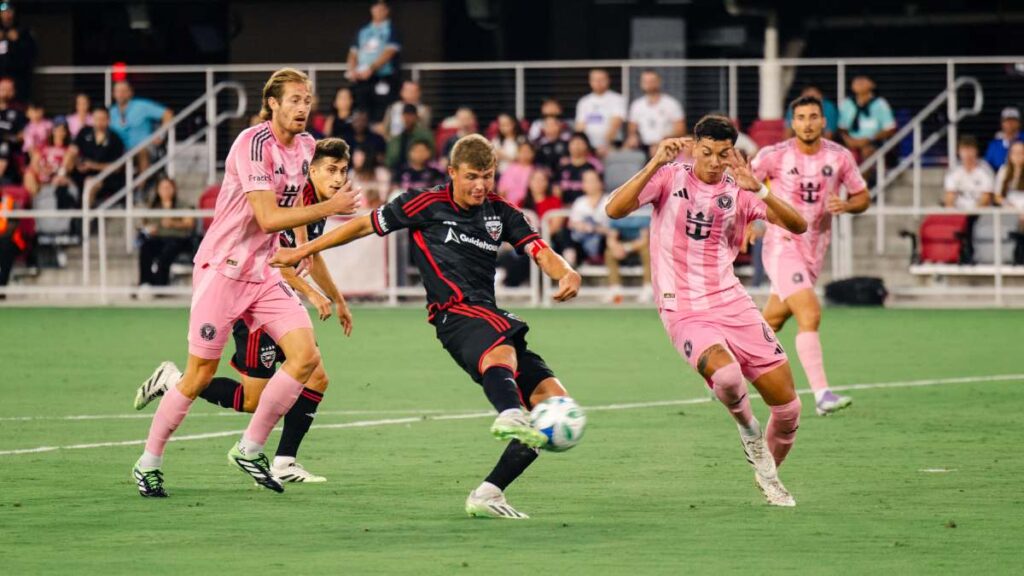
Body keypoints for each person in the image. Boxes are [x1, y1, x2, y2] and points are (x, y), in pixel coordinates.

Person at [270, 134, 583, 519]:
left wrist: (565, 272)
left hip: (487, 315)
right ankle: (508, 411)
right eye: (471, 176)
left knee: (553, 403)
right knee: (503, 345)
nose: (480, 185)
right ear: (452, 172)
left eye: (487, 176)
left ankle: (489, 494)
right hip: (454, 315)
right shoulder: (425, 203)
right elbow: (363, 226)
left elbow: (540, 251)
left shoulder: (502, 213)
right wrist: (303, 250)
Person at [129, 68, 361, 498]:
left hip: (264, 272)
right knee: (198, 376)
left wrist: (331, 285)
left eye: (307, 100)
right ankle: (149, 462)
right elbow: (269, 218)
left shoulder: (309, 147)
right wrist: (331, 205)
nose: (302, 107)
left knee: (307, 358)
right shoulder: (252, 145)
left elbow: (308, 231)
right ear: (272, 103)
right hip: (223, 269)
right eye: (294, 99)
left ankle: (251, 448)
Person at [605, 115, 808, 507]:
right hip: (682, 306)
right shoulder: (669, 177)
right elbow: (615, 209)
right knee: (730, 377)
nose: (714, 161)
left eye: (723, 154)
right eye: (707, 152)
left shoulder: (741, 188)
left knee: (788, 409)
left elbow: (797, 226)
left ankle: (768, 475)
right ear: (693, 146)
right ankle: (749, 433)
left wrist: (761, 191)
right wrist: (652, 163)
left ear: (732, 152)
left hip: (731, 300)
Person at [750, 95, 870, 416]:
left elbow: (863, 195)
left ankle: (726, 372)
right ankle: (822, 395)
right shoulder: (773, 155)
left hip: (815, 249)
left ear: (823, 121)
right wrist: (750, 220)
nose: (807, 123)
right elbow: (744, 184)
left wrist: (846, 205)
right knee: (810, 314)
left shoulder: (840, 156)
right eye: (800, 117)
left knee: (772, 320)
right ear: (792, 122)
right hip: (781, 243)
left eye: (813, 116)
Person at [346, 0, 401, 123]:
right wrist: (352, 70)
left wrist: (371, 69)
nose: (378, 11)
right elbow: (353, 52)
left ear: (387, 11)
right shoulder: (363, 31)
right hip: (362, 79)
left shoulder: (391, 29)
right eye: (376, 8)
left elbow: (390, 51)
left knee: (381, 112)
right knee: (361, 108)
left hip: (383, 77)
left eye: (382, 9)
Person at [136, 177, 195, 288]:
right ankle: (145, 283)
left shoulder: (182, 205)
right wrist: (148, 228)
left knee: (166, 253)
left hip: (178, 239)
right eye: (163, 188)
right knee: (146, 248)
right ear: (158, 190)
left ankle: (160, 285)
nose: (165, 190)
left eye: (168, 187)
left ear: (174, 189)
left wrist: (173, 224)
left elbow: (189, 223)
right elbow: (143, 224)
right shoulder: (153, 207)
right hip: (158, 238)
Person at [62, 107, 125, 206]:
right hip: (81, 174)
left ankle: (85, 218)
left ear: (108, 120)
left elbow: (117, 167)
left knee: (90, 185)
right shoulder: (84, 132)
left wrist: (93, 165)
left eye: (102, 119)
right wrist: (77, 163)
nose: (99, 123)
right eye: (96, 119)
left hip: (103, 179)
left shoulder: (115, 139)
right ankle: (61, 175)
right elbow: (72, 151)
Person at [109, 81, 173, 176]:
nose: (121, 94)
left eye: (124, 91)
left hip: (144, 147)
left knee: (141, 152)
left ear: (130, 93)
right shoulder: (111, 111)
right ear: (113, 94)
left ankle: (140, 189)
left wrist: (160, 135)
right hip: (122, 151)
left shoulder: (142, 105)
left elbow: (168, 114)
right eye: (117, 91)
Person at [838, 75, 896, 162]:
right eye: (857, 80)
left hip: (873, 142)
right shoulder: (847, 103)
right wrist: (848, 140)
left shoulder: (880, 104)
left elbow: (890, 129)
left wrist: (869, 139)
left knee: (867, 152)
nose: (859, 82)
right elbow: (842, 128)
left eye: (863, 80)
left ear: (872, 85)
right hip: (851, 142)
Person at [625, 70, 685, 152]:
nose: (648, 83)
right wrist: (633, 137)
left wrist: (661, 143)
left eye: (651, 81)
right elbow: (632, 129)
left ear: (659, 82)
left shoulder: (671, 104)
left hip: (667, 146)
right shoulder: (637, 105)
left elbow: (680, 130)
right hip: (642, 147)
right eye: (645, 81)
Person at [574, 69, 626, 157]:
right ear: (590, 82)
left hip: (610, 145)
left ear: (608, 81)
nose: (598, 82)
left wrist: (604, 145)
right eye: (595, 80)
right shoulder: (584, 102)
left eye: (601, 79)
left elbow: (615, 124)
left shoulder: (617, 99)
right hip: (588, 147)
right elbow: (579, 127)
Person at [566, 169, 609, 266]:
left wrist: (593, 228)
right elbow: (572, 223)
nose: (590, 184)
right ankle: (571, 261)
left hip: (603, 241)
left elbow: (613, 228)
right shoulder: (579, 201)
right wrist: (582, 226)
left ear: (601, 183)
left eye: (592, 180)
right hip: (582, 240)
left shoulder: (609, 200)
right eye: (586, 181)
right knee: (567, 235)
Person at [944, 135, 995, 211]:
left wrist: (971, 215)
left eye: (971, 149)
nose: (967, 154)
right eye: (964, 150)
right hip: (957, 213)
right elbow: (949, 198)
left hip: (980, 213)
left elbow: (986, 198)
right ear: (958, 152)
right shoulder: (953, 171)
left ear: (976, 151)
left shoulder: (986, 170)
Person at [0, 2, 35, 102]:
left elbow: (31, 54)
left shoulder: (23, 31)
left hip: (18, 82)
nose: (7, 14)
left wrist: (17, 41)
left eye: (9, 11)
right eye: (4, 12)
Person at [555, 132, 602, 205]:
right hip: (564, 207)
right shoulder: (562, 165)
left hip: (587, 206)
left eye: (580, 143)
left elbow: (599, 187)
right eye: (574, 143)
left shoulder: (594, 165)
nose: (576, 146)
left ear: (587, 146)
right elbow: (556, 187)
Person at [24, 121, 69, 196]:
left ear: (66, 133)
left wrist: (55, 173)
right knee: (28, 174)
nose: (59, 133)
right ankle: (35, 202)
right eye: (57, 130)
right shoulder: (44, 146)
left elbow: (66, 166)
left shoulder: (67, 149)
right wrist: (41, 171)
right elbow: (34, 162)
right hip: (41, 172)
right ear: (53, 131)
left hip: (56, 174)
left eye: (62, 130)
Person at [385, 103, 433, 172]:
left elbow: (431, 155)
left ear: (416, 117)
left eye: (411, 115)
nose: (408, 118)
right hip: (397, 172)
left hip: (421, 171)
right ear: (402, 117)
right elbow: (389, 160)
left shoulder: (426, 135)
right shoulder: (396, 138)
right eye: (406, 115)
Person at [995, 140, 1024, 234]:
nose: (1017, 156)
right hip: (1008, 212)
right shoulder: (1003, 170)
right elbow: (997, 196)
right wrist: (1008, 206)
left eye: (1021, 153)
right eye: (1014, 153)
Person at [984, 107, 1023, 171]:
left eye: (1013, 120)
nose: (1010, 123)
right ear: (1002, 123)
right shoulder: (994, 145)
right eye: (1007, 120)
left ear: (1019, 123)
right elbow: (987, 166)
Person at [497, 141, 534, 207]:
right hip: (509, 205)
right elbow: (501, 190)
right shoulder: (510, 168)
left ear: (533, 154)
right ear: (518, 153)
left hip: (527, 205)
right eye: (522, 151)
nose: (524, 154)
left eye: (527, 151)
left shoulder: (534, 170)